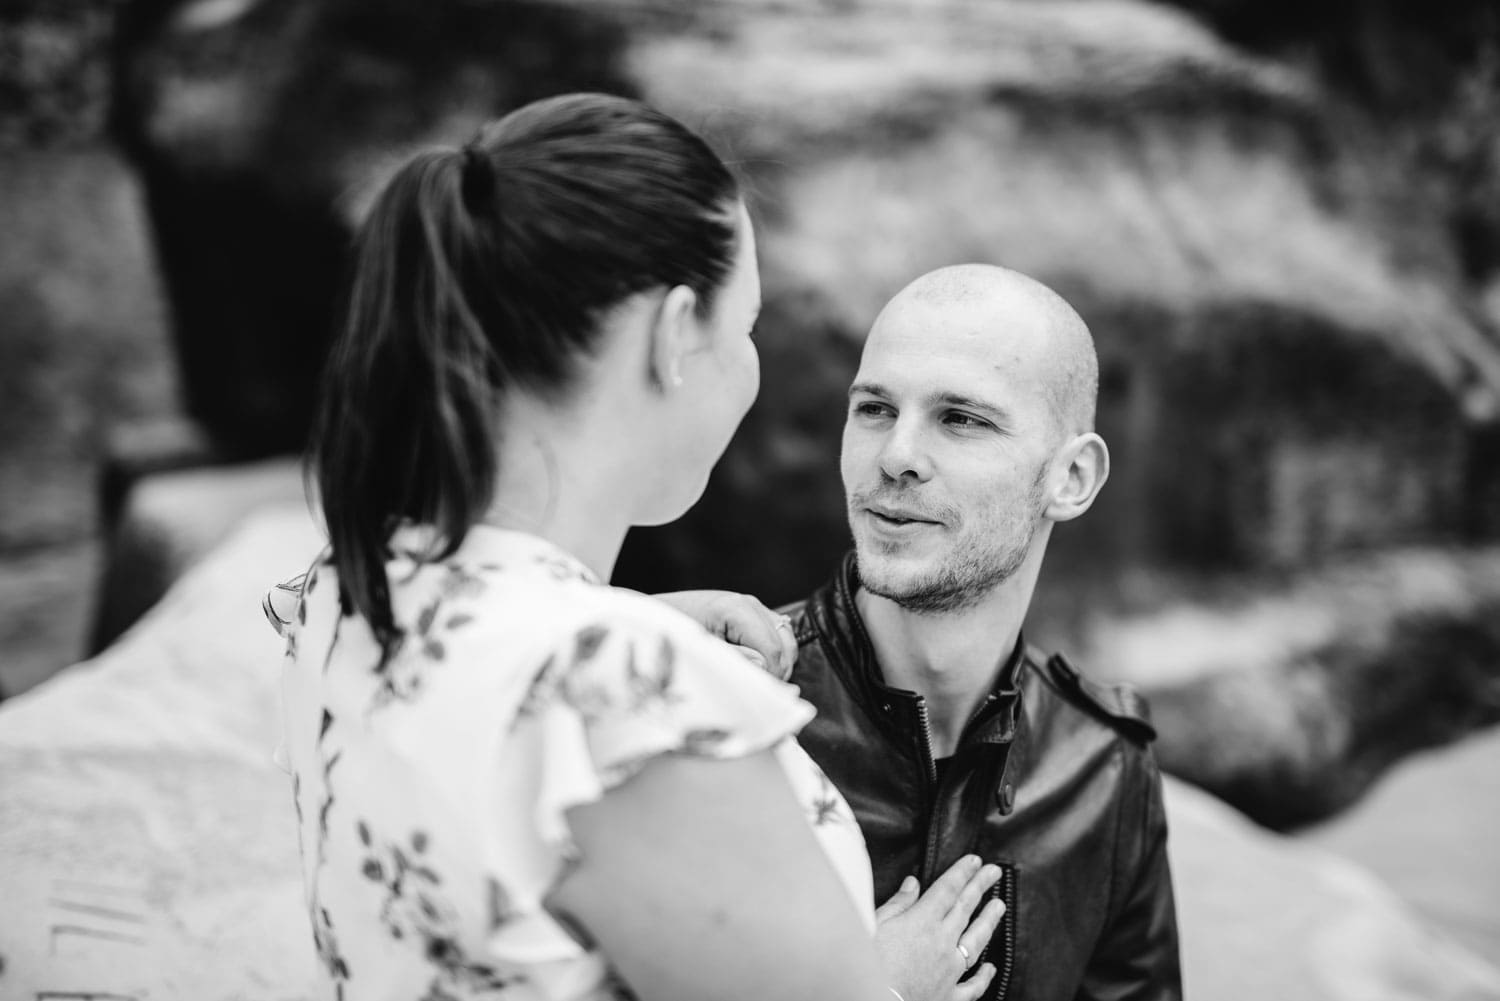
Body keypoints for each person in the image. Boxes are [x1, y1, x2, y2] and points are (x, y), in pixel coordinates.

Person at [263, 94, 1004, 1001]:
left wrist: (624, 627)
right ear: (672, 335)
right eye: (745, 327)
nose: (749, 365)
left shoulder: (346, 586)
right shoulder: (631, 700)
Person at [784, 264, 1183, 1001]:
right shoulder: (733, 702)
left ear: (1072, 478)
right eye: (874, 408)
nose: (896, 454)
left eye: (960, 418)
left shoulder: (1105, 770)